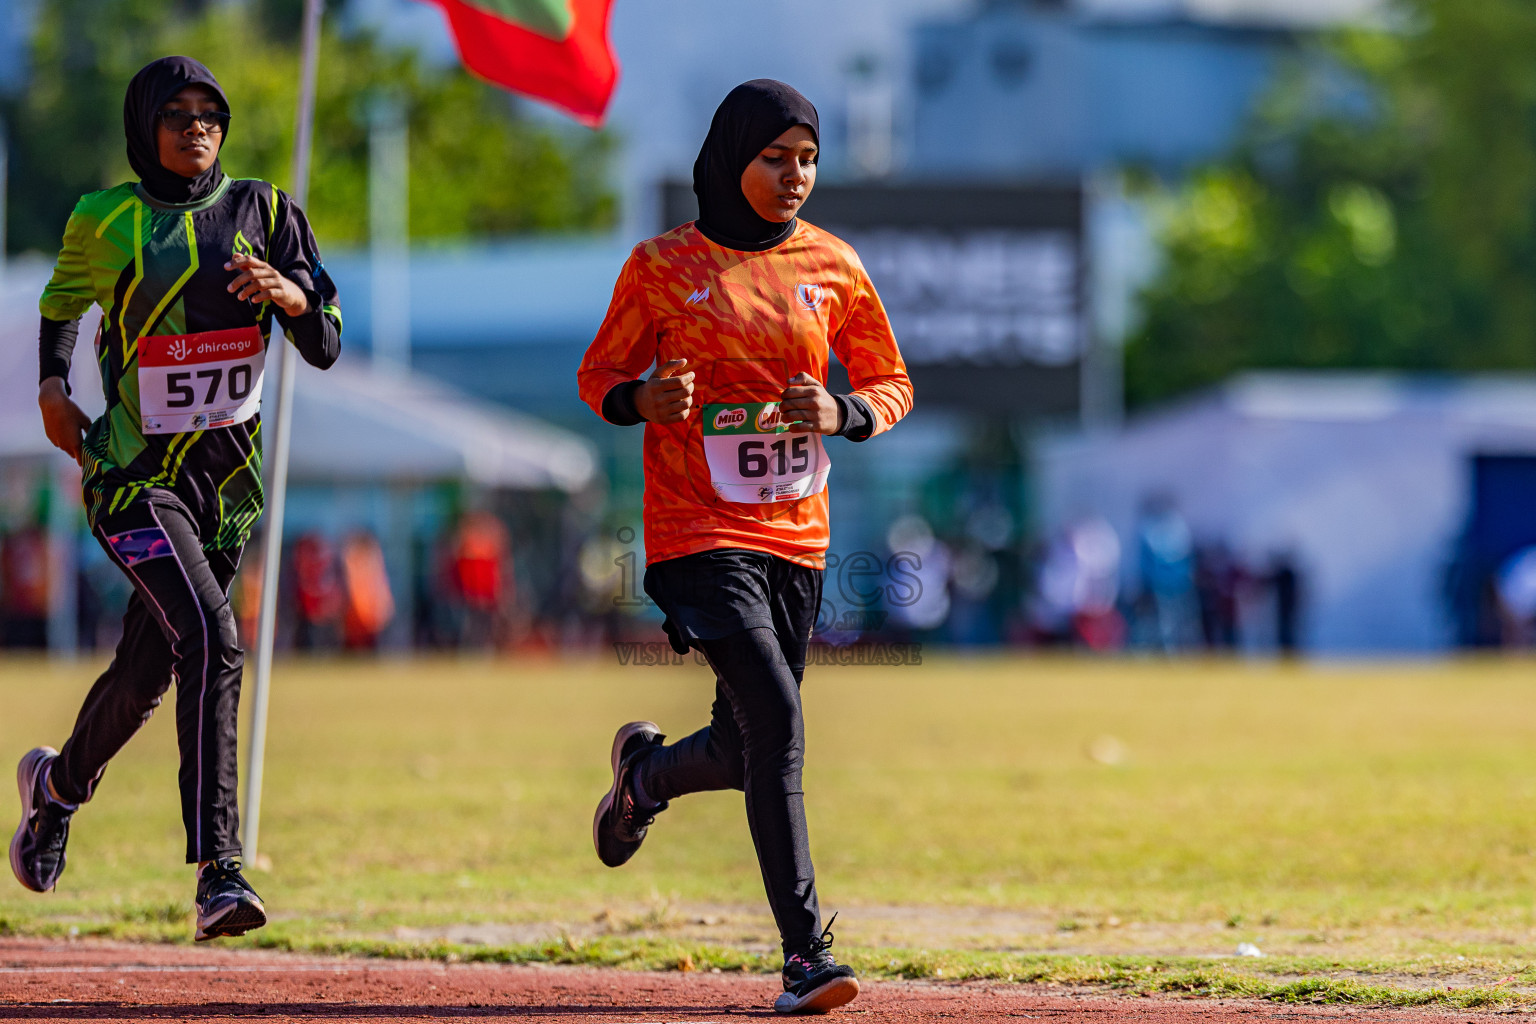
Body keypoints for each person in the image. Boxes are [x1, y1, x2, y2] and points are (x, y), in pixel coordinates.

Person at [576, 80, 913, 1015]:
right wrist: (645, 400)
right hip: (695, 530)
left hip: (797, 537)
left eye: (807, 159)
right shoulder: (662, 265)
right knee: (778, 716)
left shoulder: (835, 265)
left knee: (744, 739)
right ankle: (806, 954)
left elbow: (891, 383)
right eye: (776, 158)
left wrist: (842, 410)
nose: (795, 176)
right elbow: (600, 373)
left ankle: (643, 778)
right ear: (732, 158)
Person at [10, 56, 341, 942]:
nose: (197, 128)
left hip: (227, 489)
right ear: (143, 125)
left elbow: (327, 342)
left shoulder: (267, 213)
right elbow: (60, 306)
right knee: (212, 637)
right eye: (177, 114)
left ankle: (55, 790)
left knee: (148, 673)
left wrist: (292, 297)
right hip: (131, 478)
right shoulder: (104, 218)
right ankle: (219, 870)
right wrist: (52, 386)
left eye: (211, 114)